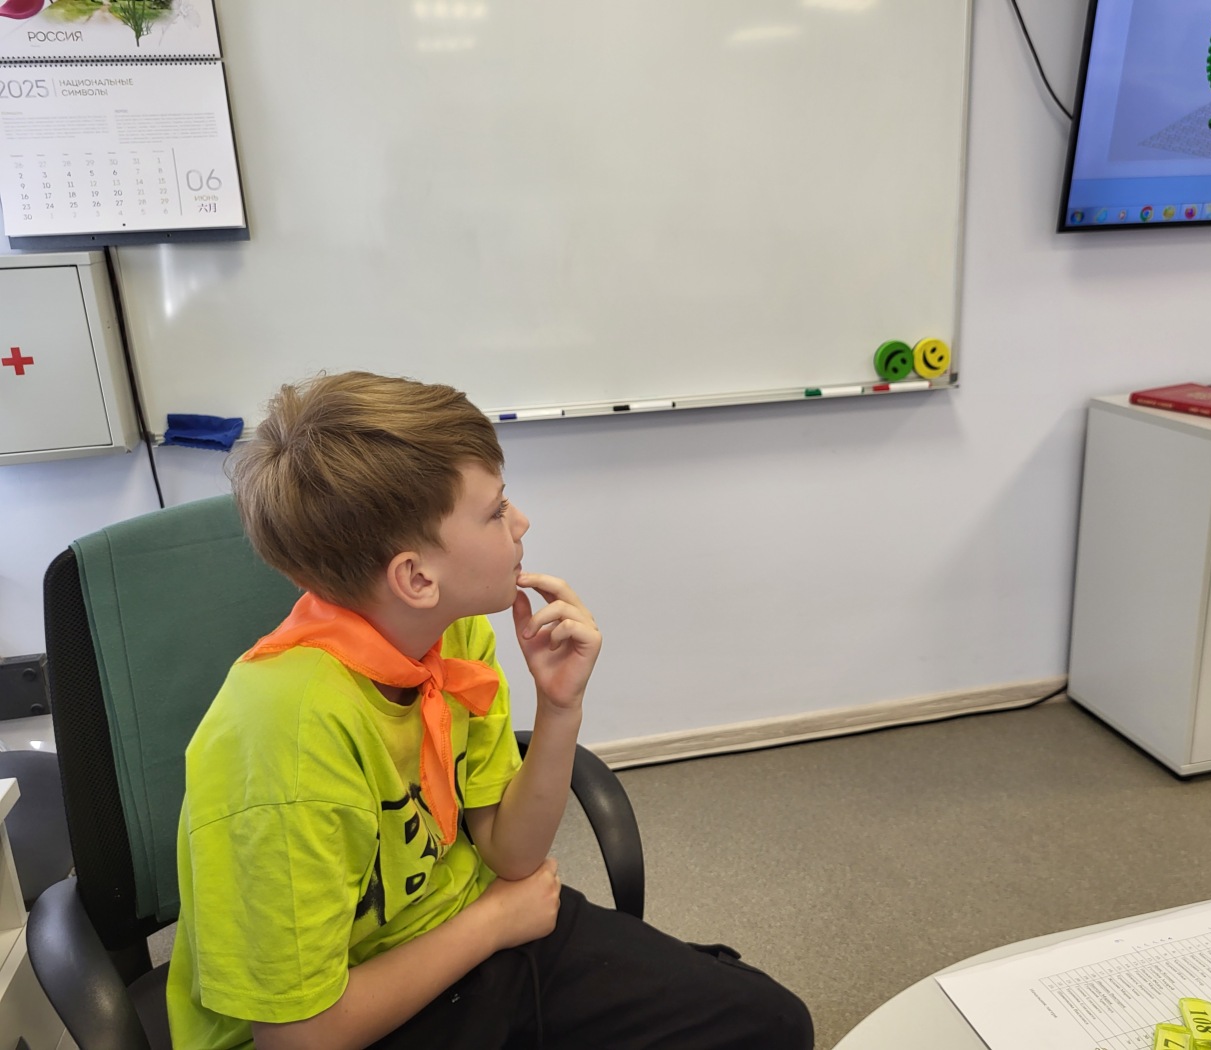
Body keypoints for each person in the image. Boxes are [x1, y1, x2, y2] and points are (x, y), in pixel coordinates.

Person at [166, 371, 813, 1050]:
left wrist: (559, 706)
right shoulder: (287, 734)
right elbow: (299, 1037)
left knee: (772, 1025)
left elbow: (510, 853)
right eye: (497, 510)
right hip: (356, 1014)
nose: (521, 521)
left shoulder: (450, 632)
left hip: (467, 930)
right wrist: (492, 925)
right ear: (417, 577)